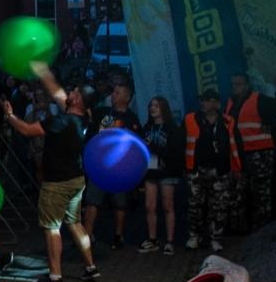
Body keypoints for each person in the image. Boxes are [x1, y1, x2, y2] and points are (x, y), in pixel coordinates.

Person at [3, 62, 99, 282]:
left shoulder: (60, 121)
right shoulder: (84, 119)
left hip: (56, 182)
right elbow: (58, 93)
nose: (69, 93)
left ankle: (55, 276)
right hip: (76, 179)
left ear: (77, 100)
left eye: (74, 92)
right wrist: (44, 72)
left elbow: (27, 130)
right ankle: (90, 268)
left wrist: (10, 115)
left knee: (52, 227)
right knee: (75, 223)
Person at [84, 82, 141, 249]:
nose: (113, 95)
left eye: (117, 93)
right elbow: (88, 116)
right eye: (113, 92)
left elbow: (136, 144)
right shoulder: (103, 112)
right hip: (99, 166)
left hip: (119, 169)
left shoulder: (131, 118)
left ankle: (118, 236)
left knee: (119, 203)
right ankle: (86, 236)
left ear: (127, 98)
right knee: (91, 201)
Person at [225, 71, 276, 231]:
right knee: (240, 192)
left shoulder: (258, 99)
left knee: (260, 193)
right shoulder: (230, 102)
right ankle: (242, 228)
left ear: (246, 85)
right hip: (240, 155)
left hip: (260, 153)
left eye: (238, 84)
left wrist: (267, 121)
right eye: (232, 84)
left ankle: (263, 229)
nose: (235, 87)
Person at [183, 90, 240, 252]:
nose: (203, 103)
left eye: (207, 100)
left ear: (216, 103)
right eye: (202, 100)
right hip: (196, 170)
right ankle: (194, 237)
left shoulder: (228, 121)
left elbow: (236, 145)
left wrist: (237, 168)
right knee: (195, 205)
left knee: (219, 206)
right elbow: (182, 144)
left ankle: (215, 239)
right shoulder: (190, 119)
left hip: (220, 171)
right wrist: (185, 168)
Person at [137, 97, 185, 255]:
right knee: (149, 206)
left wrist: (151, 145)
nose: (153, 108)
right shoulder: (147, 127)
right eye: (151, 105)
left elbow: (171, 152)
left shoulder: (172, 128)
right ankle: (152, 239)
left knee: (167, 206)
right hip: (150, 171)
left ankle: (170, 241)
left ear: (163, 108)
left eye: (156, 106)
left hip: (167, 171)